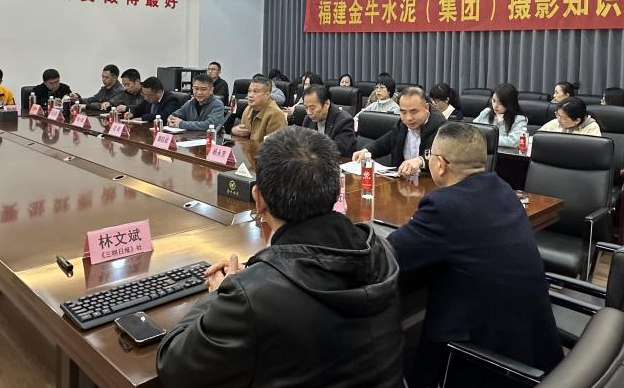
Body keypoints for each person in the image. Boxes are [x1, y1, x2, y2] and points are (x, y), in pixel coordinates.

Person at [156, 126, 404, 388]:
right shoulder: (380, 250)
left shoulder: (252, 296)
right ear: (335, 192)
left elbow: (173, 366)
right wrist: (253, 280)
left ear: (258, 199)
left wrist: (220, 294)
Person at [388, 123, 563, 387]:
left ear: (440, 165)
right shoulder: (504, 189)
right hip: (531, 344)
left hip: (485, 358)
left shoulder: (444, 206)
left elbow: (390, 254)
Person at [353, 87, 446, 177]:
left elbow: (445, 158)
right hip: (402, 180)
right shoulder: (402, 125)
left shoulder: (441, 128)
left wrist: (421, 161)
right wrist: (367, 151)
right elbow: (384, 142)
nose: (408, 118)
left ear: (426, 107)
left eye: (413, 112)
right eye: (403, 112)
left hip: (430, 182)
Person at [301, 85, 357, 156]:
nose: (309, 112)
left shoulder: (344, 120)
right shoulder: (308, 119)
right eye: (306, 107)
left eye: (312, 108)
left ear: (326, 104)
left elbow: (339, 149)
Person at [231, 76, 286, 142]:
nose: (250, 95)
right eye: (249, 91)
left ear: (267, 95)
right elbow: (242, 139)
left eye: (255, 91)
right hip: (247, 147)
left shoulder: (276, 114)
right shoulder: (248, 109)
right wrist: (234, 131)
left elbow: (274, 145)